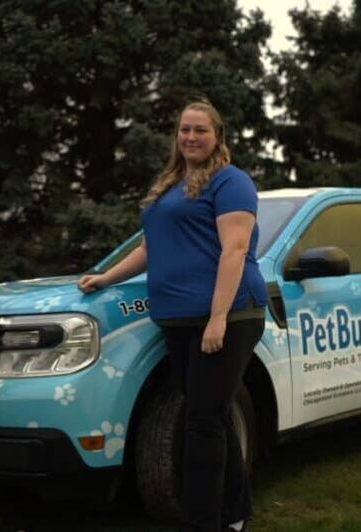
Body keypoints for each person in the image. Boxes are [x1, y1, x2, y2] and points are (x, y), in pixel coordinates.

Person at [77, 100, 266, 532]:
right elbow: (149, 249)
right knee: (210, 417)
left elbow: (234, 250)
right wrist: (106, 277)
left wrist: (217, 317)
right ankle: (234, 515)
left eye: (201, 130)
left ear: (217, 135)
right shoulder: (170, 185)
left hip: (228, 316)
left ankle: (201, 523)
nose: (191, 137)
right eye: (184, 130)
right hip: (180, 320)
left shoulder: (230, 182)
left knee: (200, 422)